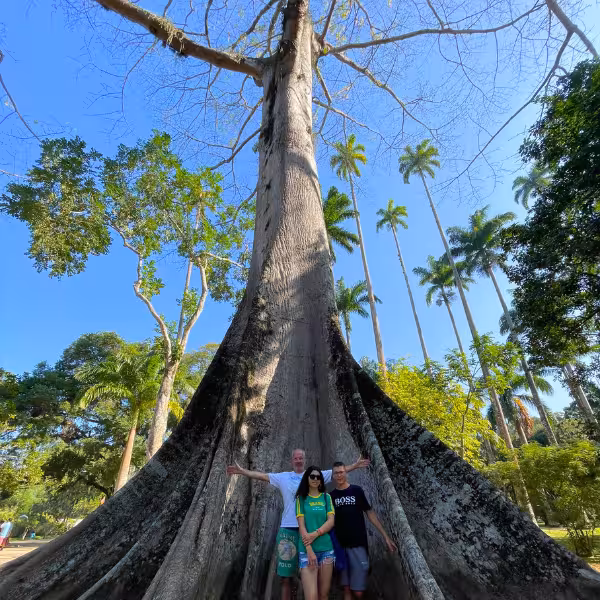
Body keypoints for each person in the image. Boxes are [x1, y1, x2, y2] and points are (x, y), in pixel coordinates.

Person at [226, 449, 369, 600]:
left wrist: (355, 465)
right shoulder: (283, 477)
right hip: (289, 531)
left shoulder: (314, 476)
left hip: (311, 533)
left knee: (314, 577)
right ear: (292, 460)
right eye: (296, 458)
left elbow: (337, 472)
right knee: (286, 577)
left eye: (301, 458)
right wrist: (242, 471)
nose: (299, 460)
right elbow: (262, 476)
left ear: (305, 460)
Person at [330, 461, 397, 599]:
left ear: (346, 473)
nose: (339, 475)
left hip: (359, 543)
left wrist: (385, 536)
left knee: (359, 590)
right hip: (341, 546)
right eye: (336, 473)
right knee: (347, 588)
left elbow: (370, 513)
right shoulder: (331, 496)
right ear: (333, 476)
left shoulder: (357, 491)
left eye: (341, 472)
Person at [296, 467, 335, 600]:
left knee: (324, 595)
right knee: (311, 597)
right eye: (312, 476)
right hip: (307, 551)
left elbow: (331, 521)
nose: (315, 479)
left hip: (326, 550)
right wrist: (309, 549)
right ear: (307, 478)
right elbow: (301, 526)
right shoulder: (301, 499)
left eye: (318, 477)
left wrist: (315, 534)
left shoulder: (326, 497)